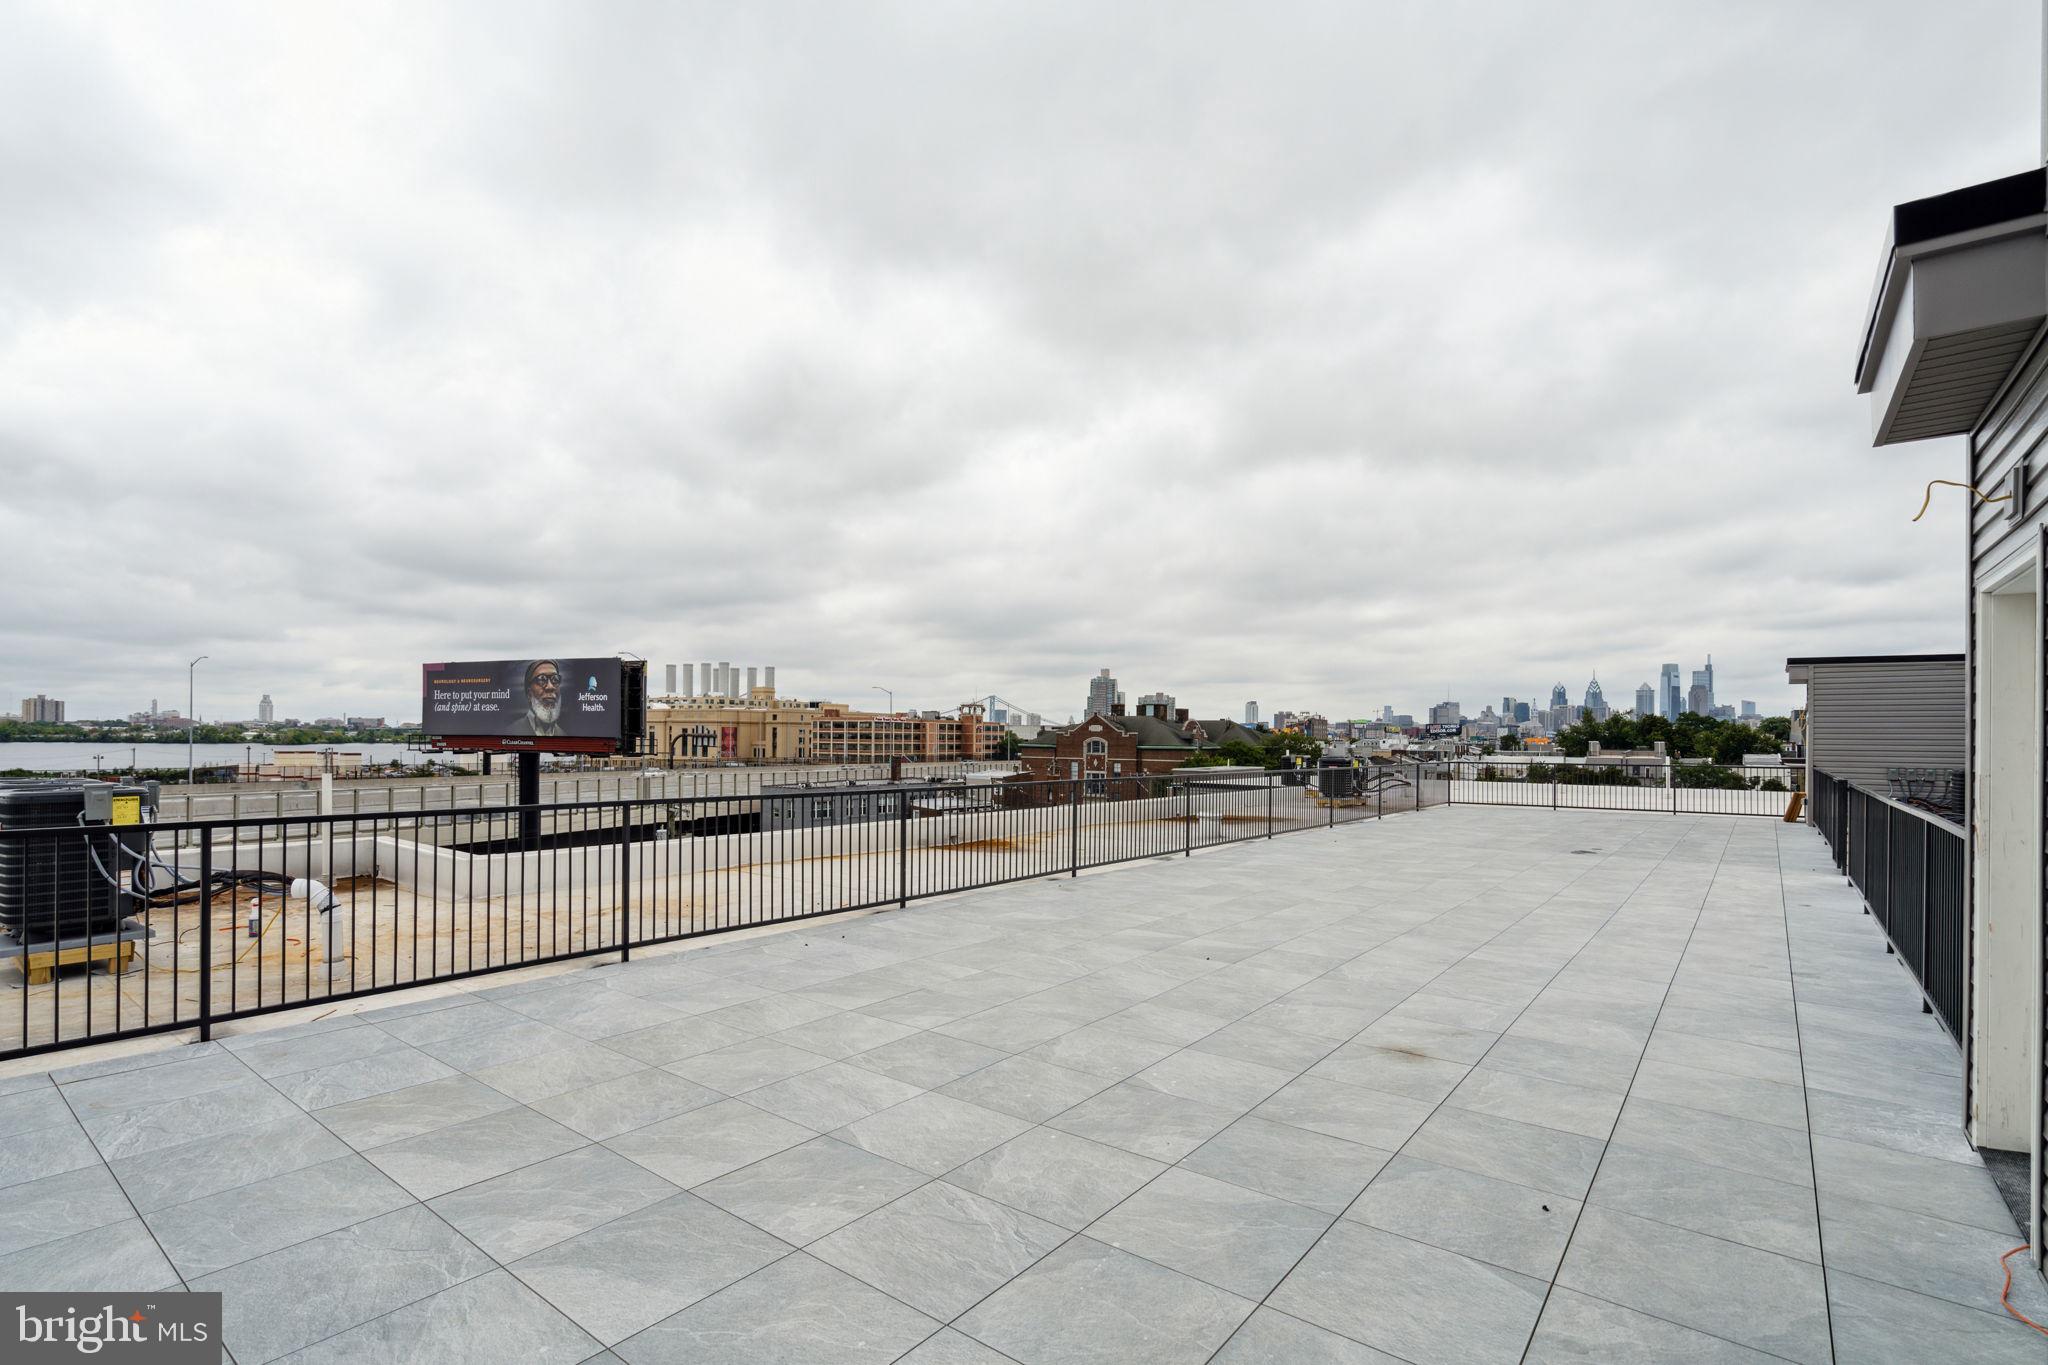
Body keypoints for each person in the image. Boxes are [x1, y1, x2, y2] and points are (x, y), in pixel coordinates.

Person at [509, 660, 565, 736]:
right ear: (529, 694)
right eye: (542, 679)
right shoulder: (510, 732)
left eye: (555, 679)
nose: (550, 687)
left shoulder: (564, 735)